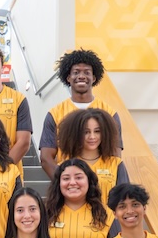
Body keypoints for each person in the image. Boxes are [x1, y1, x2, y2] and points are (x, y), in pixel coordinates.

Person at [39, 48, 123, 177]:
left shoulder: (109, 113)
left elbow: (115, 155)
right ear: (68, 78)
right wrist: (63, 181)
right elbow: (46, 158)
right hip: (70, 187)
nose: (81, 76)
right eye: (76, 72)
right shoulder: (54, 114)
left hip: (103, 184)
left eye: (87, 72)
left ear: (94, 78)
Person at [56, 108, 129, 204]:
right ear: (75, 134)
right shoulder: (64, 167)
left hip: (109, 219)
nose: (92, 137)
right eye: (86, 132)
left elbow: (125, 199)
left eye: (97, 131)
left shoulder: (116, 164)